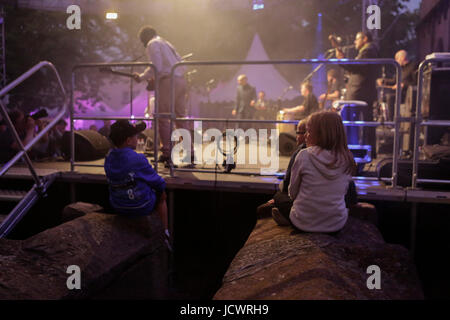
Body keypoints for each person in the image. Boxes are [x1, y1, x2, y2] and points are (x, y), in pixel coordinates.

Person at [272, 111, 357, 234]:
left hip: (302, 223)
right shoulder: (347, 158)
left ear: (321, 134)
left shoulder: (303, 155)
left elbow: (293, 193)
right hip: (336, 225)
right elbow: (345, 194)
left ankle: (287, 217)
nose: (305, 136)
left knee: (279, 196)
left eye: (308, 131)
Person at [104, 120, 170, 244]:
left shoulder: (108, 158)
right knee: (162, 195)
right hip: (140, 206)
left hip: (117, 205)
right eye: (135, 135)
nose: (138, 137)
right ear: (128, 140)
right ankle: (164, 234)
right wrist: (161, 188)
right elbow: (158, 183)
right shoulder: (138, 159)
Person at [133, 25, 190, 166]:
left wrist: (141, 77)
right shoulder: (166, 43)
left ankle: (167, 153)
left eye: (142, 41)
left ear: (145, 37)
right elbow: (180, 63)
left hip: (168, 81)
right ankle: (190, 153)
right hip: (180, 79)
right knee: (180, 118)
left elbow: (156, 66)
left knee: (163, 117)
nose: (143, 44)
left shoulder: (152, 44)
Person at [336, 31, 379, 157]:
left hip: (360, 93)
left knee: (357, 124)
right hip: (361, 93)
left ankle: (360, 151)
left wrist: (341, 60)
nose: (355, 42)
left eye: (357, 39)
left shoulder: (369, 50)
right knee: (362, 124)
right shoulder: (367, 51)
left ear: (364, 39)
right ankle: (363, 150)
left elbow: (357, 66)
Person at [256, 119, 308, 218]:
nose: (296, 136)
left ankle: (285, 217)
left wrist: (279, 196)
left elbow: (289, 188)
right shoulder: (336, 156)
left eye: (298, 133)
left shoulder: (301, 153)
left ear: (306, 134)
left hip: (303, 207)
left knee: (277, 196)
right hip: (333, 218)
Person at [377, 50, 418, 120]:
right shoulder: (400, 69)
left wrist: (403, 85)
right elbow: (394, 81)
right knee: (383, 96)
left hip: (407, 94)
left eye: (397, 58)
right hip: (399, 92)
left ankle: (391, 121)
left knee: (390, 97)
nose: (396, 61)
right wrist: (383, 81)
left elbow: (416, 82)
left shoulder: (413, 66)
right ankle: (383, 118)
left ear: (402, 58)